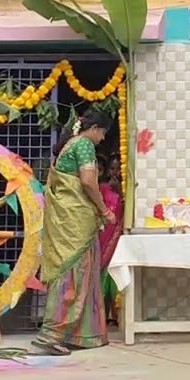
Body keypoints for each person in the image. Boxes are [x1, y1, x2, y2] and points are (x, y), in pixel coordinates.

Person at [35, 111, 116, 355]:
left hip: (67, 218)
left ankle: (74, 333)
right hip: (76, 220)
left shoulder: (68, 145)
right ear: (93, 128)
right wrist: (104, 210)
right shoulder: (83, 145)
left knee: (74, 271)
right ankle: (53, 333)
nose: (102, 139)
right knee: (74, 272)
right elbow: (89, 182)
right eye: (102, 133)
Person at [97, 155, 123, 327]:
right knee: (101, 276)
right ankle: (100, 317)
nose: (115, 172)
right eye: (112, 168)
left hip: (118, 237)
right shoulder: (102, 188)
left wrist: (120, 190)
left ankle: (115, 316)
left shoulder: (126, 189)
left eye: (118, 168)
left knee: (114, 276)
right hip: (103, 236)